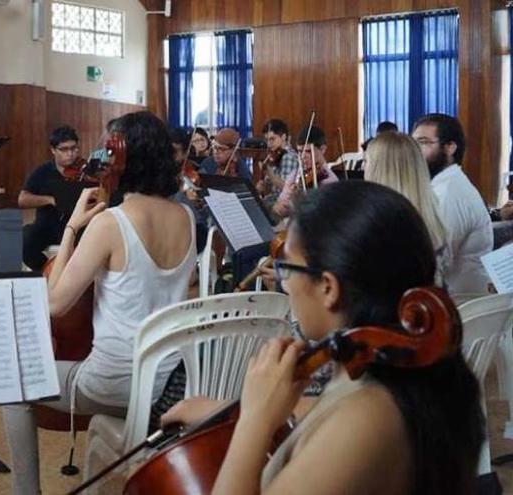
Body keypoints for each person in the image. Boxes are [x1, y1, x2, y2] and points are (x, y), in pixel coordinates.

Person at [163, 180, 484, 494]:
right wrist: (228, 411)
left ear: (328, 288)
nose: (283, 284)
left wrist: (254, 423)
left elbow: (343, 423)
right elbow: (321, 410)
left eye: (288, 269)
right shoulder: (392, 376)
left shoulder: (365, 422)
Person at [3, 111, 197, 493]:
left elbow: (55, 304)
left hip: (114, 381)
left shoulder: (112, 223)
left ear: (121, 158)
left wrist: (74, 225)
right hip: (164, 381)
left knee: (14, 382)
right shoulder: (186, 217)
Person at [412, 113, 492, 296]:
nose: (415, 151)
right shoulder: (444, 185)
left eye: (423, 143)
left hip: (456, 303)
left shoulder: (448, 193)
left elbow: (435, 261)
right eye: (414, 143)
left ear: (449, 148)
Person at [364, 131, 449, 286]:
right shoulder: (432, 212)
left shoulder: (379, 225)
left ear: (380, 170)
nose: (364, 167)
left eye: (367, 161)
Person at [19, 125, 90, 271]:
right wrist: (51, 200)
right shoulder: (43, 172)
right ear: (53, 150)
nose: (70, 154)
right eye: (64, 149)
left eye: (74, 148)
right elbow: (23, 199)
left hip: (78, 226)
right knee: (23, 241)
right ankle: (47, 271)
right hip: (47, 226)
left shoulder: (86, 170)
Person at [272, 125, 338, 218]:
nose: (303, 157)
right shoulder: (295, 174)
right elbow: (280, 204)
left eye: (308, 151)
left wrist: (295, 203)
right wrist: (279, 208)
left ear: (322, 149)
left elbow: (322, 217)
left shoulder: (330, 181)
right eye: (300, 151)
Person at [257, 119, 298, 211]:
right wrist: (264, 185)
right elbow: (273, 187)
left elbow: (286, 189)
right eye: (267, 140)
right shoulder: (276, 155)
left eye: (272, 139)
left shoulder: (288, 156)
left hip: (283, 205)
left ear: (283, 137)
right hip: (274, 200)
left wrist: (270, 175)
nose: (268, 144)